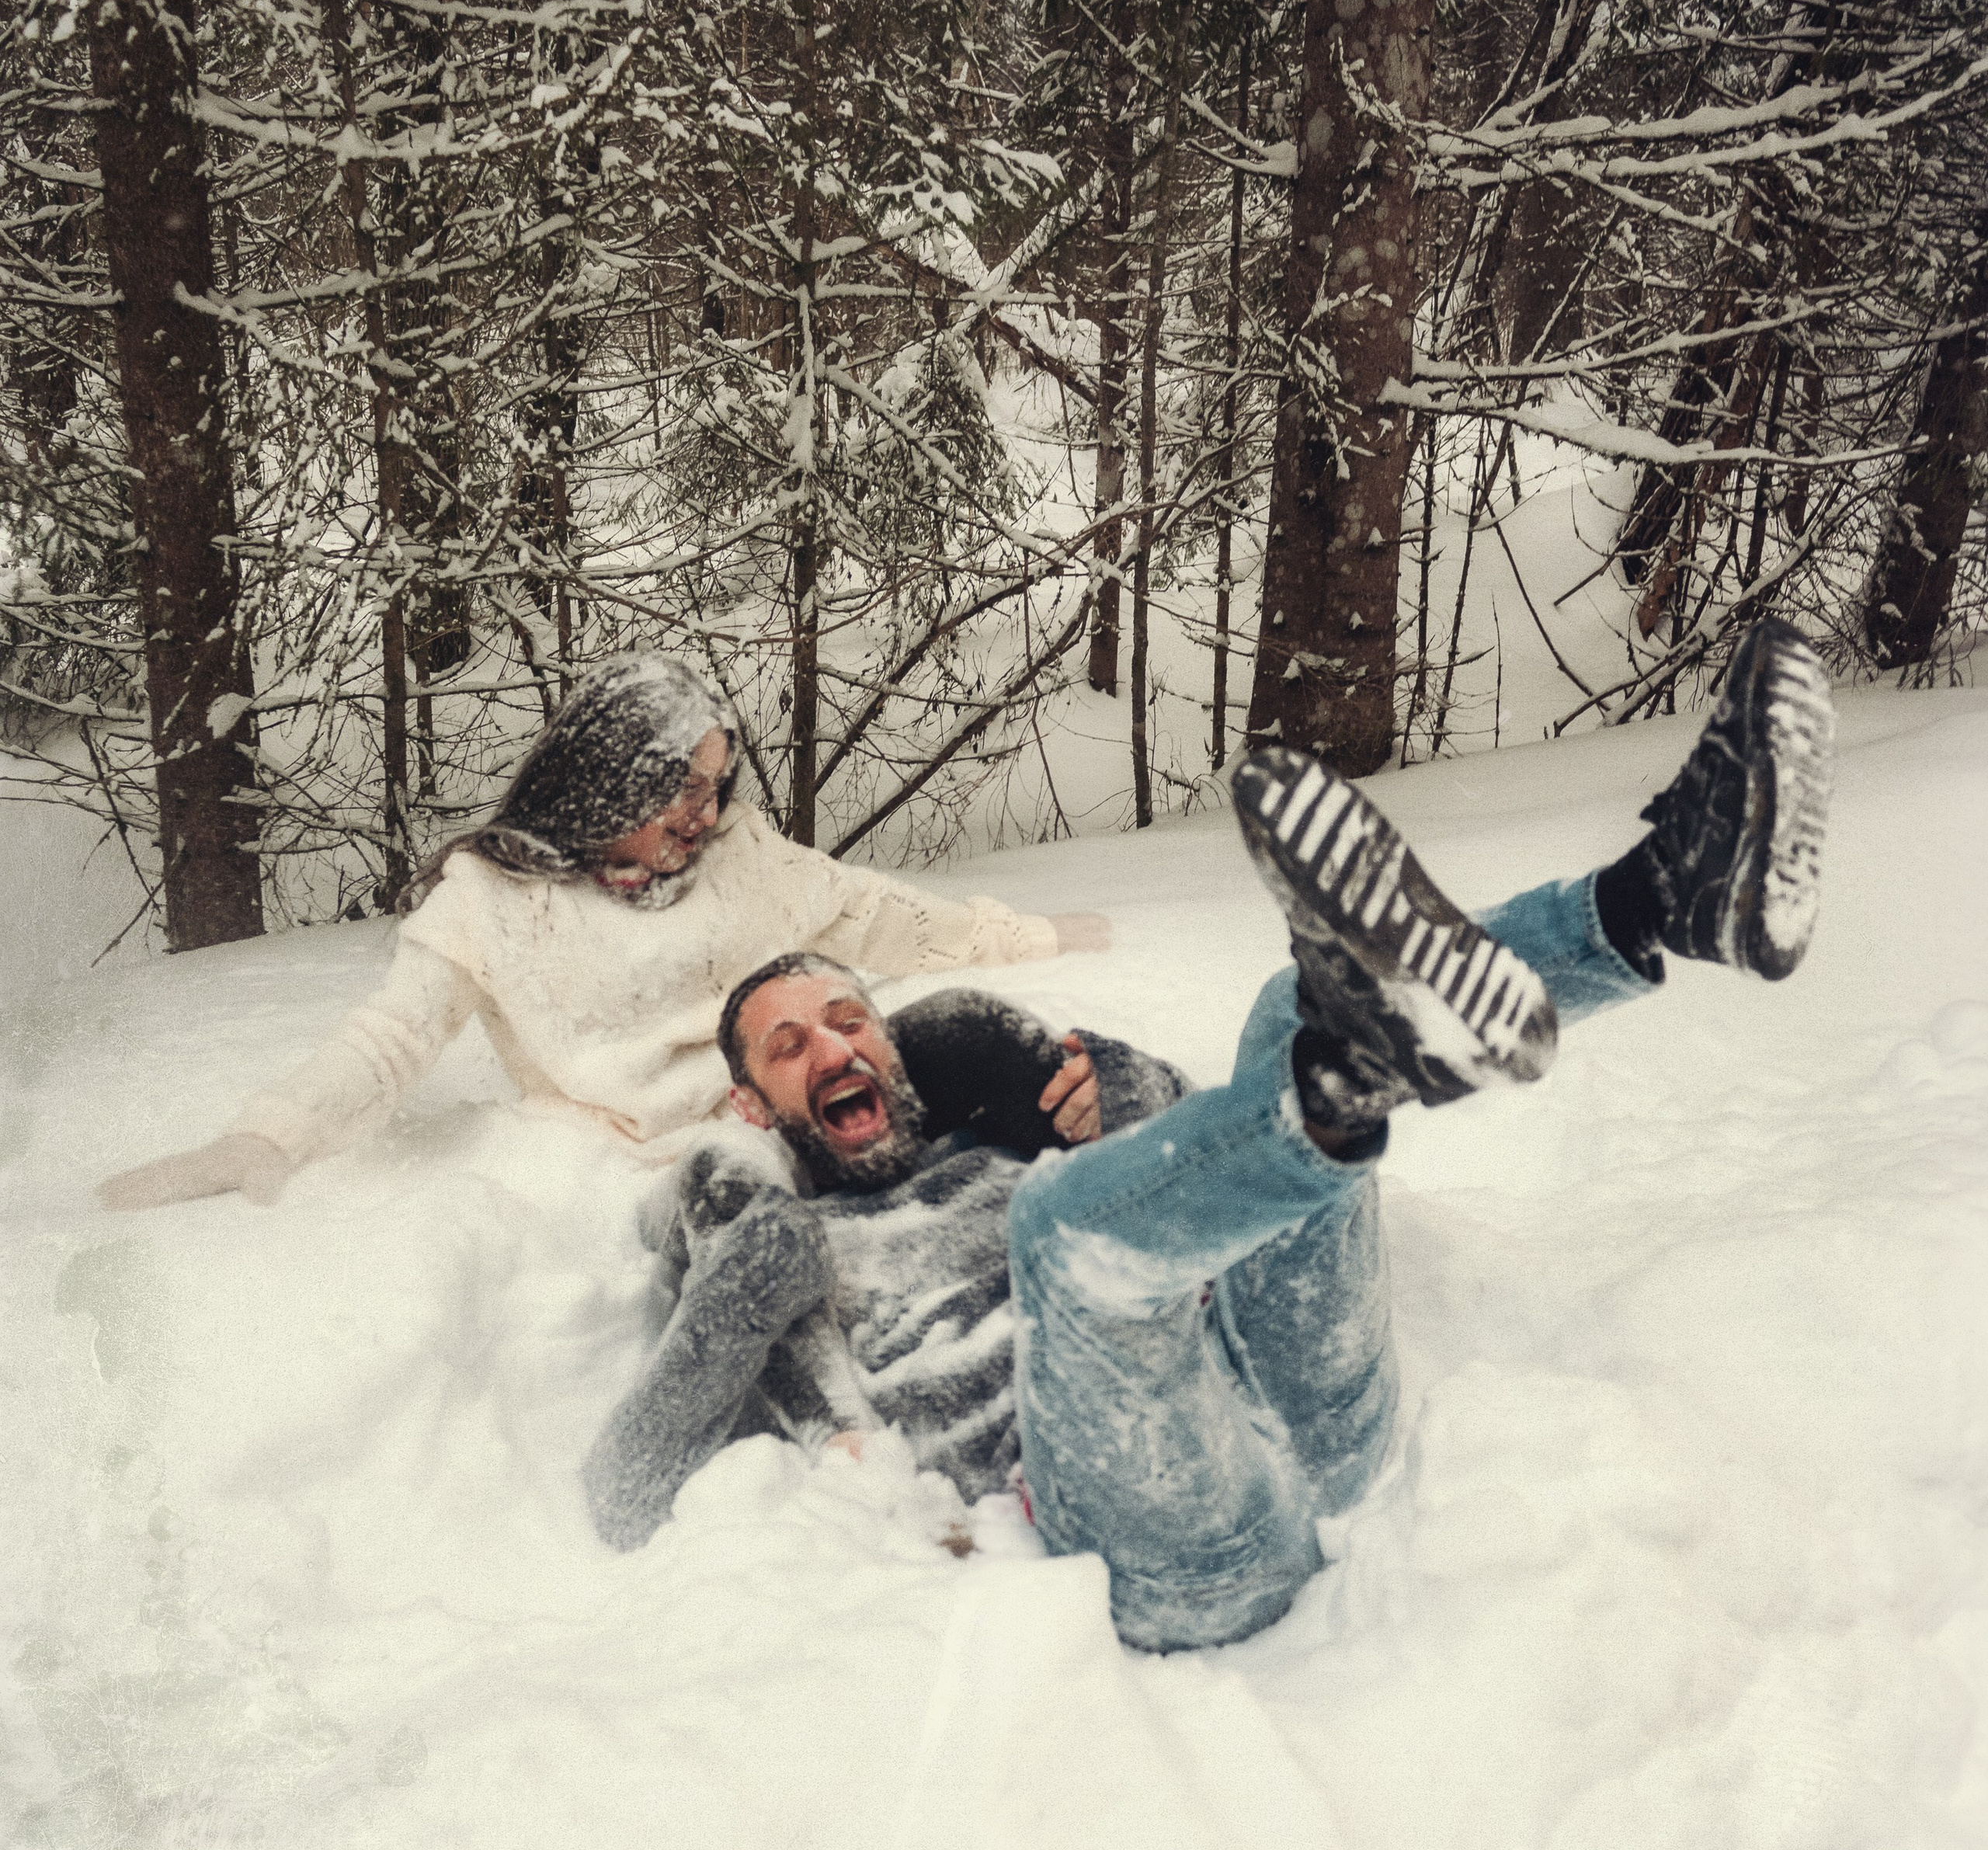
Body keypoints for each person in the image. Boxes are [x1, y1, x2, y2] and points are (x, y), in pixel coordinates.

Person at [582, 621, 1836, 1654]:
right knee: (1067, 1234)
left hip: (1314, 1416)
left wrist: (1130, 1091)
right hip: (1156, 1548)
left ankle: (1661, 901)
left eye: (847, 1019)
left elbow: (1201, 1181)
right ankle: (1354, 1074)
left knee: (1289, 1011)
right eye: (790, 1046)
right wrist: (739, 1291)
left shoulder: (1011, 1138)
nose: (835, 1050)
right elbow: (625, 1495)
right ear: (752, 1104)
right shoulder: (794, 1249)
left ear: (893, 1044)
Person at [99, 652, 1107, 1210]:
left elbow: (877, 915)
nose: (702, 813)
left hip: (797, 1106)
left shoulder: (742, 857)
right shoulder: (492, 899)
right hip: (670, 1174)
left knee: (976, 1034)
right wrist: (268, 1136)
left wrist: (1034, 936)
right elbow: (391, 1036)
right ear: (603, 776)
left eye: (714, 787)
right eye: (680, 787)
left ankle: (1134, 1185)